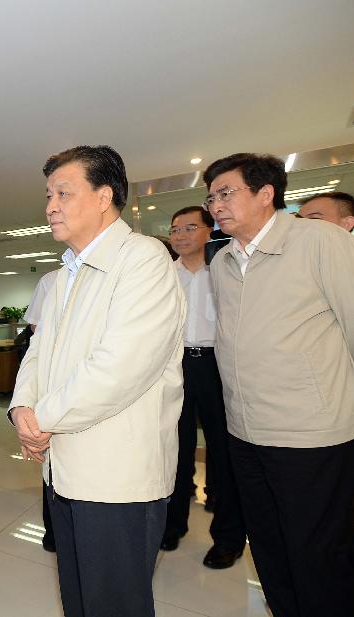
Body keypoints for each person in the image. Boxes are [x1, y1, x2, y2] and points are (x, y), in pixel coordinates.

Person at [9, 145, 185, 617]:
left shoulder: (143, 260)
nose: (50, 206)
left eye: (63, 193)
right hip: (63, 469)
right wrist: (21, 408)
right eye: (49, 195)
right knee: (79, 599)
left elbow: (119, 368)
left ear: (104, 196)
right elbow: (37, 353)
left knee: (114, 604)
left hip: (117, 480)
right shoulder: (64, 275)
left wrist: (40, 417)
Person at [203, 153, 354, 617]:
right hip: (244, 431)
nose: (215, 205)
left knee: (317, 554)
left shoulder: (319, 241)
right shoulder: (223, 260)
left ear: (266, 194)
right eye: (210, 197)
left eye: (226, 192)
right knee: (267, 543)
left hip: (310, 432)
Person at [162, 205, 246, 568]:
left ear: (210, 230)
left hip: (218, 364)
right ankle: (173, 522)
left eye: (189, 227)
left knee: (225, 451)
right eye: (175, 229)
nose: (180, 235)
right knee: (174, 447)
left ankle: (228, 537)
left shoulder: (227, 269)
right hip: (175, 364)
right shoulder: (164, 275)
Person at [20, 269, 59, 553]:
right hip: (51, 380)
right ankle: (53, 531)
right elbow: (36, 331)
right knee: (51, 463)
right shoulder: (51, 280)